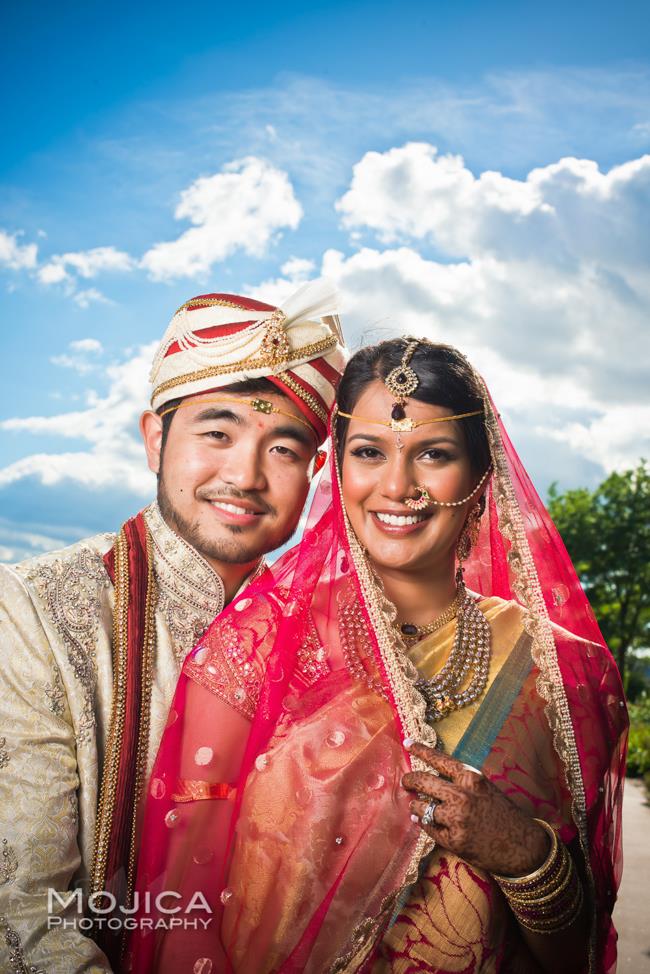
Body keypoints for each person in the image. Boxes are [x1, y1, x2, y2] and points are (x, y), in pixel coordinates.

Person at [127, 337, 627, 974]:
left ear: (480, 476)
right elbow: (180, 914)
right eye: (369, 453)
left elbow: (580, 955)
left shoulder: (566, 673)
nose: (397, 486)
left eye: (434, 455)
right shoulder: (252, 644)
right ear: (337, 468)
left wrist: (526, 853)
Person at [0, 279, 347, 973]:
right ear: (155, 437)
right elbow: (25, 919)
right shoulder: (35, 606)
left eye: (283, 449)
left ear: (314, 471)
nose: (245, 475)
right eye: (216, 433)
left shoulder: (331, 639)